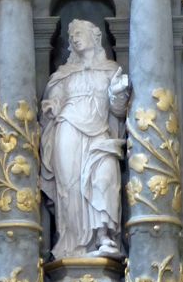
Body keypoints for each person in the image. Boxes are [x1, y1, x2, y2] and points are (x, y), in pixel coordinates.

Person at [40, 20, 129, 259]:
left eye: (79, 33)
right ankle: (71, 243)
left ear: (95, 37)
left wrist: (118, 94)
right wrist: (51, 106)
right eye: (71, 35)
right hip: (68, 128)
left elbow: (119, 113)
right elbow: (55, 99)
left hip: (100, 134)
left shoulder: (111, 71)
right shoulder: (64, 74)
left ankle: (104, 237)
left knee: (104, 178)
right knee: (69, 186)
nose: (75, 38)